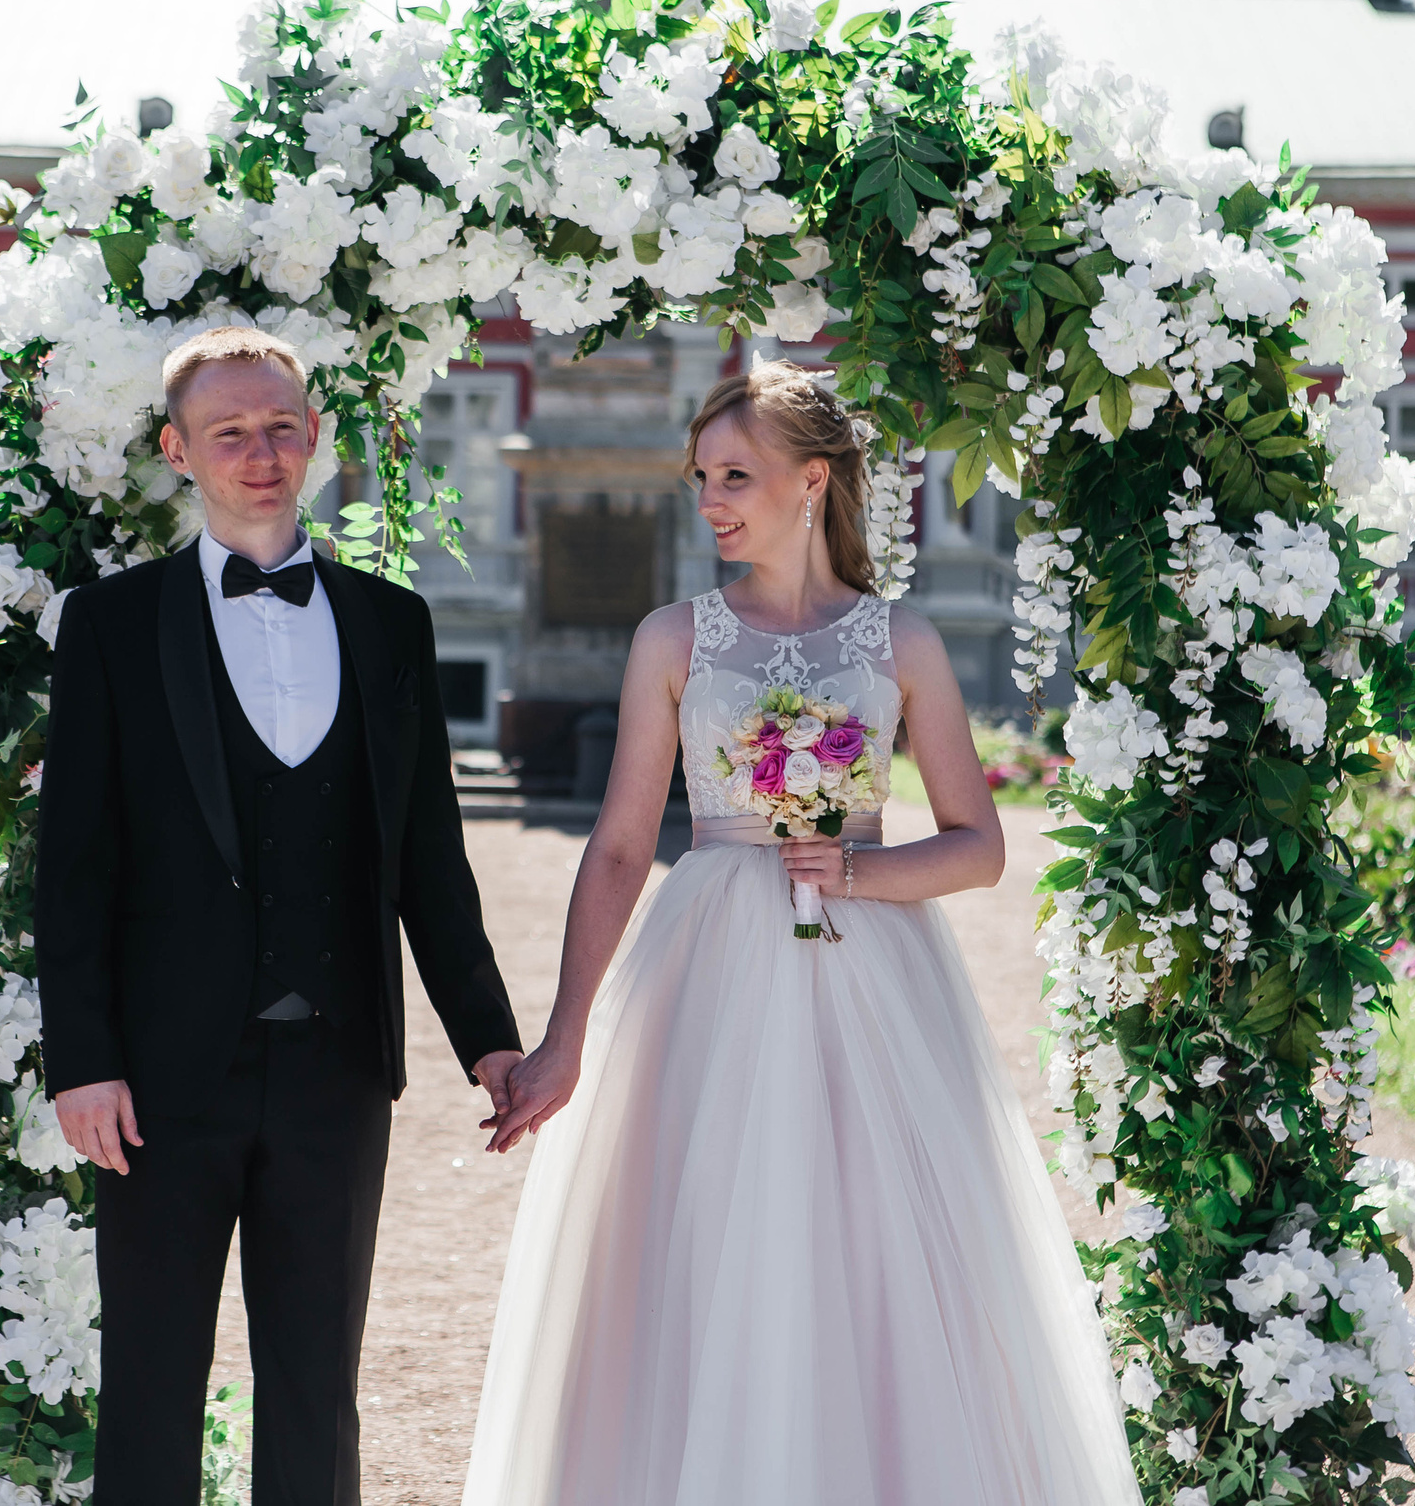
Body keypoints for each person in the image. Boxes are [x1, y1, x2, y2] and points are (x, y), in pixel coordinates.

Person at [464, 361, 1143, 1505]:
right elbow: (624, 844)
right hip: (706, 966)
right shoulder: (672, 639)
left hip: (872, 968)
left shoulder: (902, 643)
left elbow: (977, 845)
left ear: (811, 479)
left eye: (737, 475)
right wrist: (567, 1035)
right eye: (701, 479)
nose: (711, 500)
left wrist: (860, 870)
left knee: (877, 1251)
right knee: (704, 1245)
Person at [34, 326, 523, 1506]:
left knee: (317, 1388)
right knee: (150, 1382)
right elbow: (76, 863)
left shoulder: (391, 621)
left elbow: (429, 858)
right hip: (158, 1076)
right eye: (229, 432)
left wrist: (490, 1038)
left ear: (316, 438)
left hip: (338, 1068)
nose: (260, 452)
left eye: (281, 426)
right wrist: (84, 1062)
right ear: (178, 450)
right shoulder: (108, 624)